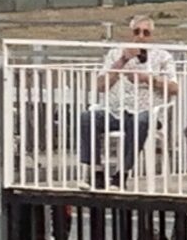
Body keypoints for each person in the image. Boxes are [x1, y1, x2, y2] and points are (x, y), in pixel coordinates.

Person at [76, 17, 178, 190]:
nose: (140, 36)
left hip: (146, 111)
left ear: (152, 36)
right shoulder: (115, 54)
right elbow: (101, 86)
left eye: (146, 33)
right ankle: (96, 171)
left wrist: (148, 79)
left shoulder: (163, 57)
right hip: (114, 110)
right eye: (136, 31)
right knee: (88, 117)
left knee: (140, 122)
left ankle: (121, 174)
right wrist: (122, 61)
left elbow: (174, 88)